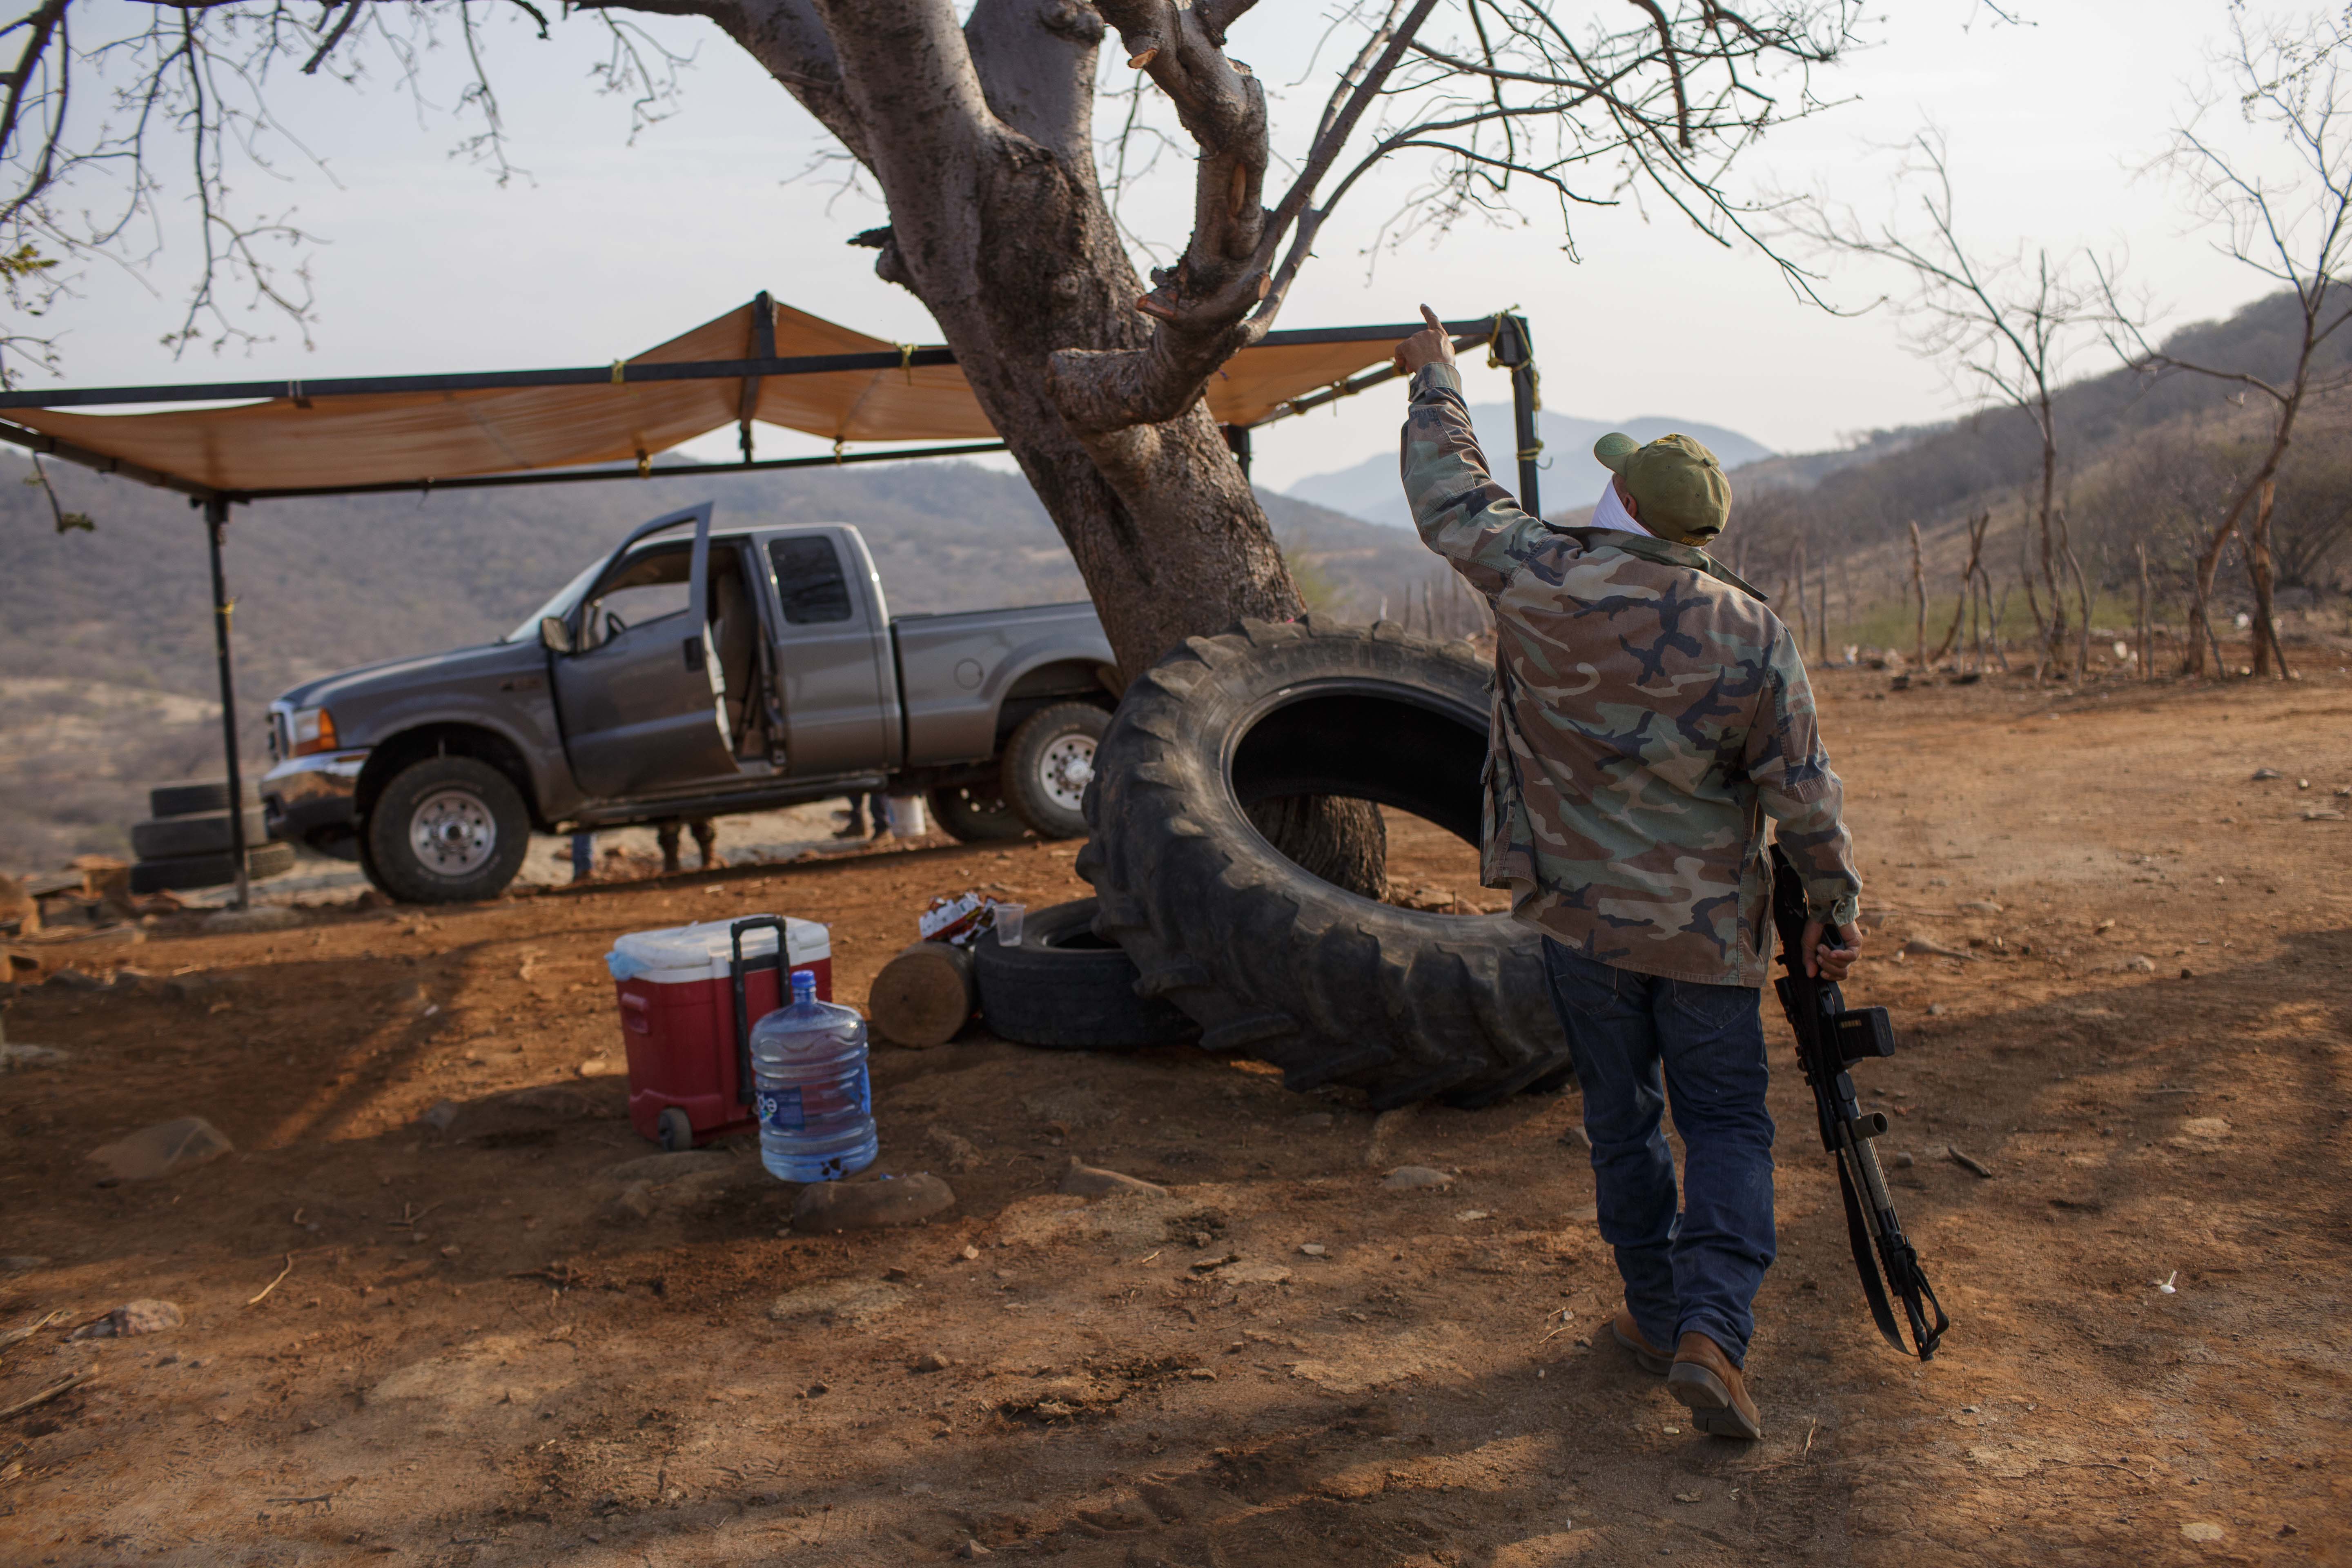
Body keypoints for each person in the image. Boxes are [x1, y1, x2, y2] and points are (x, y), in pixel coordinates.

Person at [1392, 306, 1862, 1442]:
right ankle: (1709, 1333)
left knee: (1623, 1120)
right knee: (1730, 1129)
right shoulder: (1752, 632)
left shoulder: (1544, 576)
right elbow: (1801, 790)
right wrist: (1835, 910)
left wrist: (1437, 382)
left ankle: (1655, 1315)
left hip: (1580, 928)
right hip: (1705, 939)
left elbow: (1450, 499)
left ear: (1634, 510)